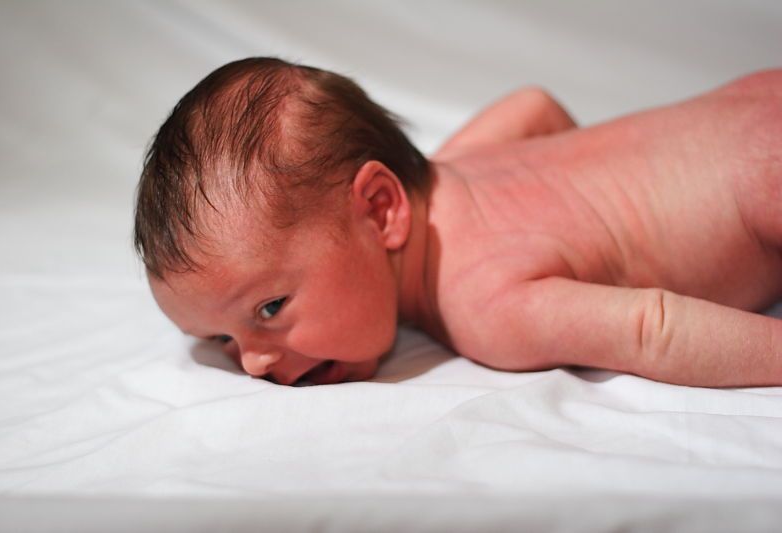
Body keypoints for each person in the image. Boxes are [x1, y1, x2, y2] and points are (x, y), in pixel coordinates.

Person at [134, 57, 782, 387]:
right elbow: (536, 105)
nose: (250, 363)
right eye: (220, 339)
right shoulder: (454, 163)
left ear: (382, 210)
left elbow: (654, 326)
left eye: (269, 306)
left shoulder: (483, 304)